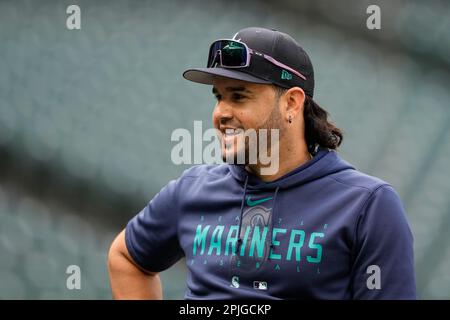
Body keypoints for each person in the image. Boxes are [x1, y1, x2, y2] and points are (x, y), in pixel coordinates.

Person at [108, 27, 416, 299]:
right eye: (219, 96)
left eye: (239, 96)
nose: (221, 113)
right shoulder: (192, 188)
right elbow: (126, 257)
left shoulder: (368, 205)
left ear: (291, 103)